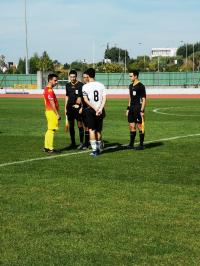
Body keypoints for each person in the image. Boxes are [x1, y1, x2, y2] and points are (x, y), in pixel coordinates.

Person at [82, 68, 106, 156]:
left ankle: (95, 150)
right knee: (98, 131)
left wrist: (95, 109)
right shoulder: (101, 85)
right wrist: (100, 109)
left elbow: (86, 100)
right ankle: (99, 149)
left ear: (88, 76)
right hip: (100, 109)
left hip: (91, 110)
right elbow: (104, 98)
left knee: (92, 130)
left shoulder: (85, 86)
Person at [126, 69, 146, 150]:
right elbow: (130, 98)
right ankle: (131, 144)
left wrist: (142, 110)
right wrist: (128, 108)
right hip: (131, 109)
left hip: (138, 108)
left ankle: (141, 145)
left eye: (131, 76)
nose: (129, 77)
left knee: (140, 126)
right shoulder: (130, 86)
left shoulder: (141, 86)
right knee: (131, 126)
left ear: (136, 76)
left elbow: (144, 99)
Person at [65, 70, 84, 149]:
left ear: (76, 77)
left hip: (77, 108)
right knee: (71, 126)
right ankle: (73, 143)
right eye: (71, 77)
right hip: (69, 108)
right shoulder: (67, 85)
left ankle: (81, 143)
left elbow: (80, 96)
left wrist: (78, 105)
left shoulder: (80, 85)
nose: (72, 78)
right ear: (69, 77)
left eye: (74, 77)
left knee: (80, 125)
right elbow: (67, 96)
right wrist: (65, 107)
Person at [43, 73, 61, 154]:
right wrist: (57, 114)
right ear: (50, 80)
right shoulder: (49, 90)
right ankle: (50, 148)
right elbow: (52, 102)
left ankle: (46, 147)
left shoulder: (46, 89)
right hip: (51, 112)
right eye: (55, 80)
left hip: (48, 111)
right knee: (52, 130)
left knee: (49, 129)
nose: (56, 82)